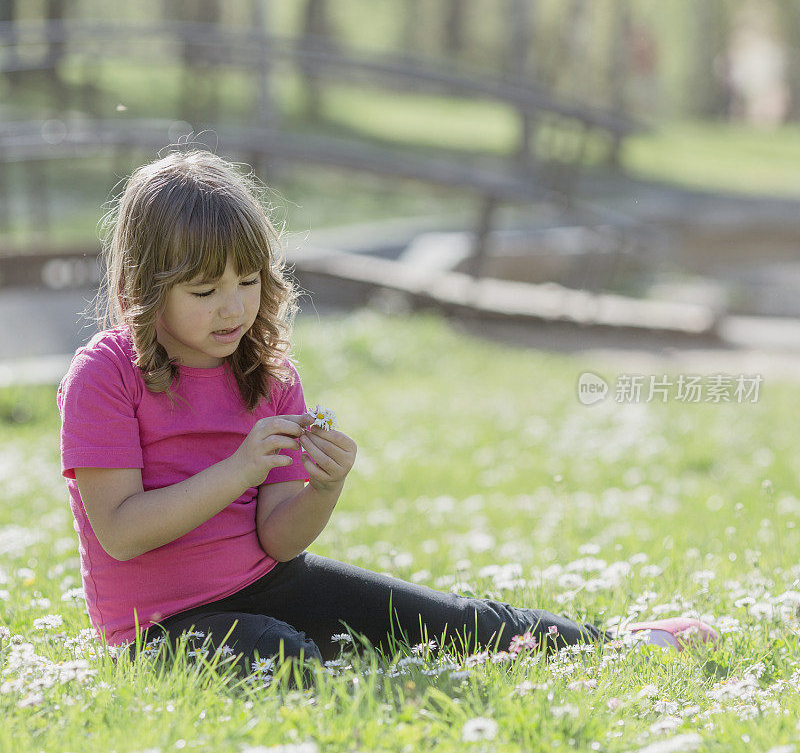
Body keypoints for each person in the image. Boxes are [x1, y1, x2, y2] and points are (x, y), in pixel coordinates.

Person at [57, 148, 718, 685]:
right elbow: (121, 532)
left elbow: (281, 541)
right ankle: (333, 671)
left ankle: (616, 645)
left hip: (271, 581)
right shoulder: (105, 375)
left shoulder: (267, 373)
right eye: (205, 291)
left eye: (250, 281)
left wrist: (325, 487)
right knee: (279, 659)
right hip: (161, 626)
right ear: (144, 288)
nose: (234, 308)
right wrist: (237, 470)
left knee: (452, 622)